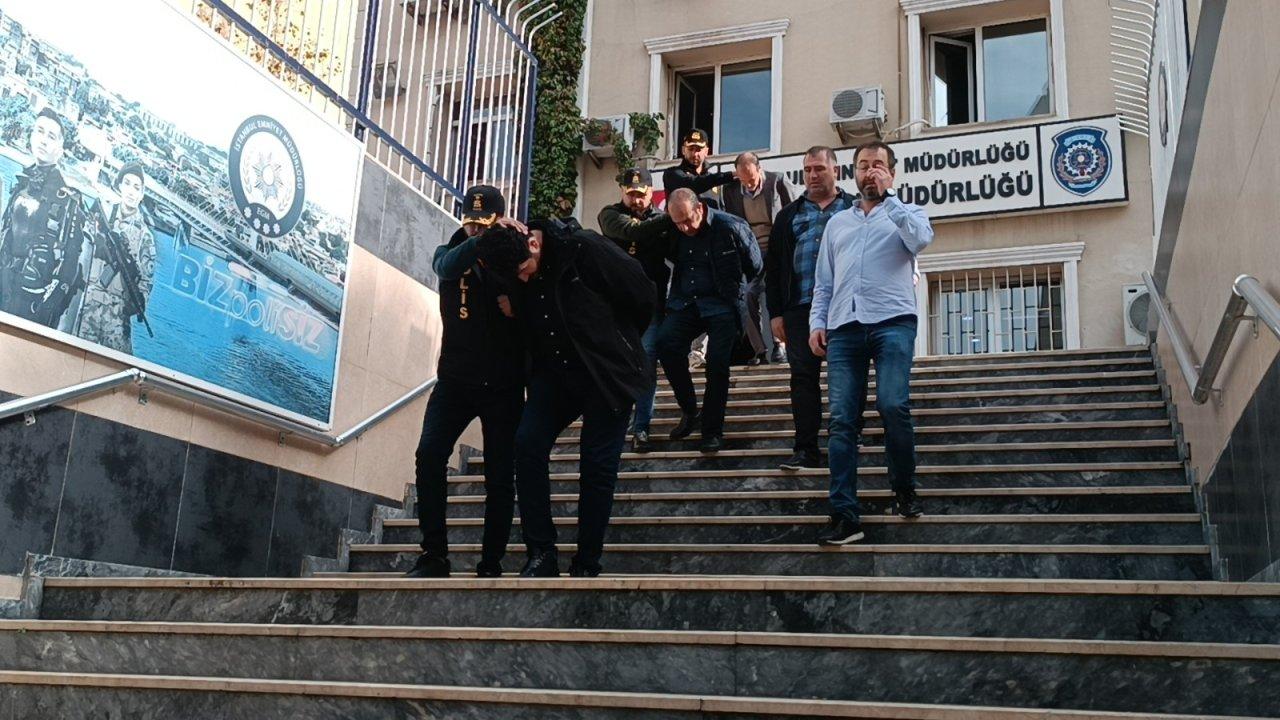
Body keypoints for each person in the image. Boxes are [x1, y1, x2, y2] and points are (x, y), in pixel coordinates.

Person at [475, 219, 654, 578]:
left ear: (534, 244)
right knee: (527, 444)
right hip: (554, 374)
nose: (521, 279)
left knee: (597, 466)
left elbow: (643, 295)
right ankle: (541, 553)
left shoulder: (585, 249)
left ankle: (587, 561)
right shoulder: (511, 255)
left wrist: (617, 341)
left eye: (523, 270)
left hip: (606, 373)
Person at [809, 141, 933, 545]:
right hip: (844, 327)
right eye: (863, 166)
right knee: (842, 420)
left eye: (878, 165)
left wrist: (890, 199)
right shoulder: (837, 224)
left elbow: (920, 239)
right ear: (854, 173)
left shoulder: (907, 213)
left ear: (892, 174)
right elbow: (824, 282)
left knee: (892, 404)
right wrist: (817, 322)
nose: (870, 172)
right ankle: (844, 515)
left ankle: (904, 489)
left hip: (893, 322)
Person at [404, 185, 527, 579]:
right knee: (429, 455)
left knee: (500, 474)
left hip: (504, 383)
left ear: (498, 219)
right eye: (471, 222)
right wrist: (481, 241)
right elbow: (445, 266)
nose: (476, 229)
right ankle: (434, 554)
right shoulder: (453, 251)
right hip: (455, 380)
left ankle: (491, 561)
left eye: (484, 224)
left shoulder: (511, 251)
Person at [765, 146, 857, 472]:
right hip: (800, 309)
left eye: (819, 168)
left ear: (836, 171)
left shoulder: (855, 208)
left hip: (845, 309)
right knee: (803, 378)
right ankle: (806, 449)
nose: (813, 175)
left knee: (847, 376)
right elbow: (774, 267)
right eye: (807, 170)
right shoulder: (787, 215)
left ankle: (847, 441)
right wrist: (776, 313)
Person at [656, 187, 762, 454]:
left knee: (717, 365)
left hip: (723, 304)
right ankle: (690, 410)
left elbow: (755, 266)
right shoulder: (673, 229)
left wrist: (739, 292)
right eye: (677, 223)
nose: (684, 228)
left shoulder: (731, 226)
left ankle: (712, 431)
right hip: (686, 301)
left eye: (687, 220)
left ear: (700, 208)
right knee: (666, 344)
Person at [597, 167, 675, 453]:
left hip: (650, 306)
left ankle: (641, 426)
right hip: (615, 306)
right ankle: (617, 424)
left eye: (640, 194)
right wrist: (673, 215)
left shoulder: (660, 220)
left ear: (650, 192)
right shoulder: (610, 214)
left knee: (646, 364)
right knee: (615, 365)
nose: (636, 200)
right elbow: (632, 231)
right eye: (630, 194)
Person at [0, 108, 93, 331]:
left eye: (51, 136)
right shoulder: (21, 185)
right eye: (39, 131)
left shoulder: (68, 200)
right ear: (31, 136)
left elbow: (69, 270)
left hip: (31, 302)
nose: (43, 140)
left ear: (60, 148)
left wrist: (45, 312)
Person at [77, 163, 157, 354]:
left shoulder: (145, 236)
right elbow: (81, 249)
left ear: (142, 193)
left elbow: (146, 282)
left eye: (136, 187)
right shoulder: (102, 214)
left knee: (117, 366)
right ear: (120, 185)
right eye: (127, 183)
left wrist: (134, 305)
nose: (131, 191)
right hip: (88, 303)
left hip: (117, 315)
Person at [722, 152, 794, 364]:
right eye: (744, 181)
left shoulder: (777, 181)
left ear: (760, 169)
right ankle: (760, 349)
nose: (749, 185)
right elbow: (733, 223)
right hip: (750, 251)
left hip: (777, 248)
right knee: (747, 294)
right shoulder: (730, 190)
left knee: (774, 293)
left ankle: (780, 345)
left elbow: (793, 213)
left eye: (752, 179)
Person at [661, 128, 735, 209]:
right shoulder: (672, 174)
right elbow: (694, 183)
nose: (695, 154)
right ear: (683, 150)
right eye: (691, 149)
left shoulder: (714, 183)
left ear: (706, 151)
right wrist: (731, 175)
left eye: (698, 149)